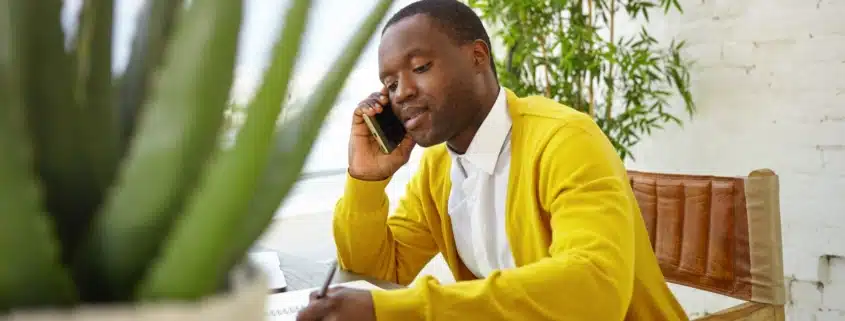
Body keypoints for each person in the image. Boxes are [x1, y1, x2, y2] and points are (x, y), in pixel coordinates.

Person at [296, 0, 689, 320]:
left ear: (478, 56)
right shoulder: (439, 169)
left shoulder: (566, 139)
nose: (401, 93)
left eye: (420, 68)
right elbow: (380, 272)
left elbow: (595, 289)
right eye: (390, 83)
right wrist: (364, 181)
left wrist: (403, 311)